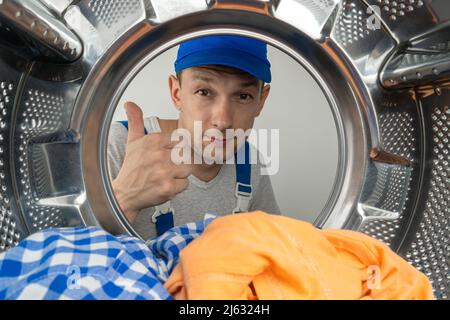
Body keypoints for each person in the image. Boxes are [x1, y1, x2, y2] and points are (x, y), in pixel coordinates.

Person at [108, 35, 280, 239]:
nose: (223, 120)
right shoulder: (117, 146)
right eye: (204, 92)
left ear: (261, 100)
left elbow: (274, 251)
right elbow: (68, 261)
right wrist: (123, 198)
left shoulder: (250, 163)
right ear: (176, 93)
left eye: (243, 96)